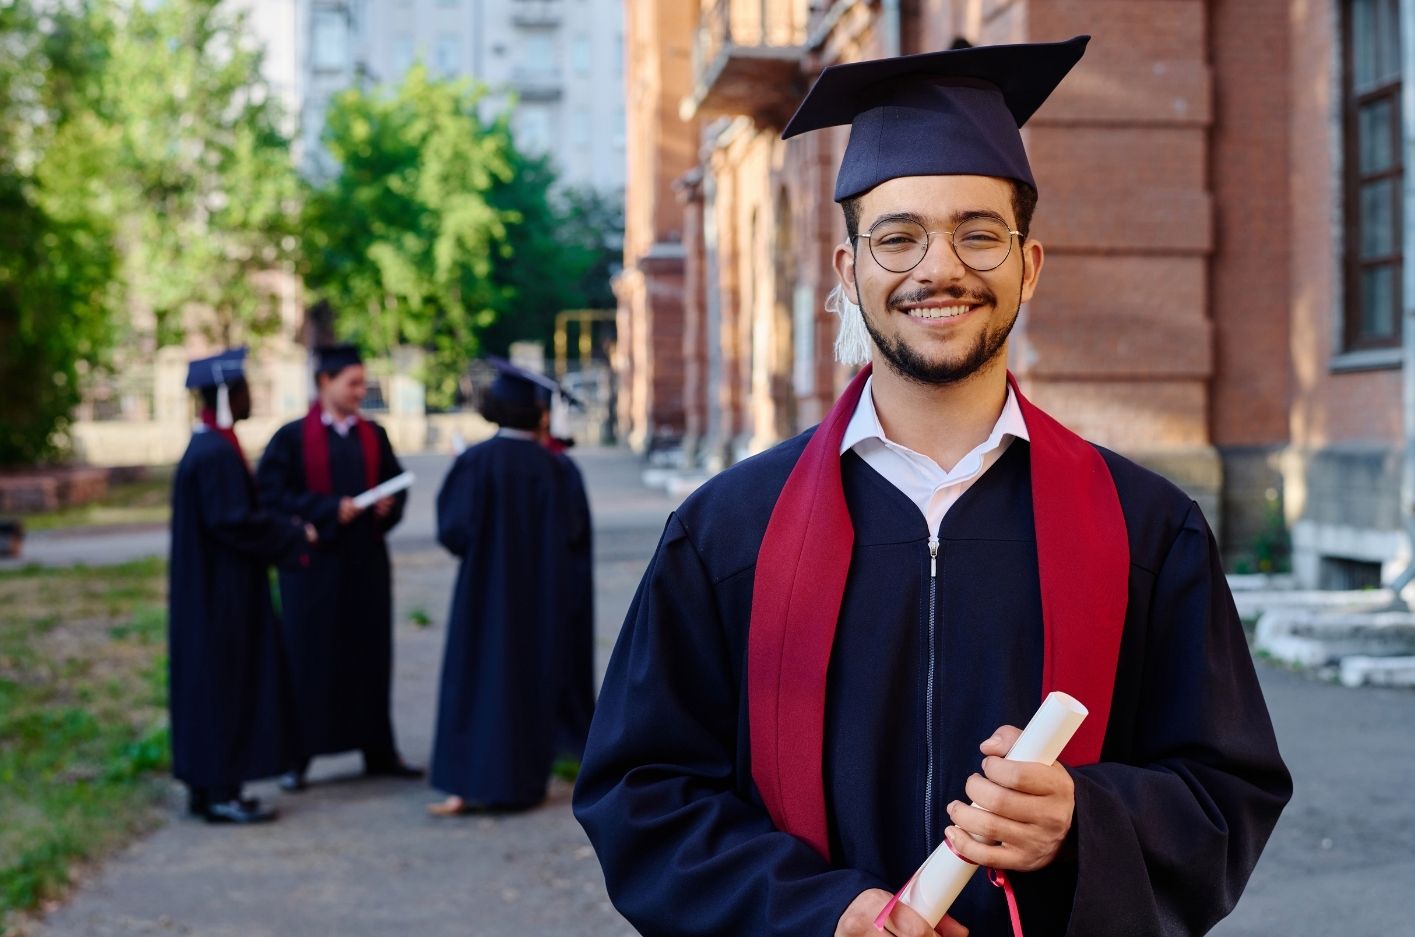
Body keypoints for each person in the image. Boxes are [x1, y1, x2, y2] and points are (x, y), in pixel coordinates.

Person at [573, 37, 1292, 937]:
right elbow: (642, 793)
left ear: (1028, 265)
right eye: (897, 236)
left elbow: (1227, 788)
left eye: (978, 233)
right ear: (849, 273)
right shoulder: (727, 532)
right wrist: (818, 911)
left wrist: (1085, 818)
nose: (937, 268)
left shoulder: (1146, 529)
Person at [428, 359, 593, 815]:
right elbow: (576, 539)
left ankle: (463, 785)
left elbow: (454, 533)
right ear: (541, 414)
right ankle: (522, 785)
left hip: (483, 597)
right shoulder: (558, 471)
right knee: (528, 682)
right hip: (540, 601)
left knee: (475, 680)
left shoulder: (475, 463)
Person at [255, 343, 419, 790]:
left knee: (370, 655)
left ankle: (377, 750)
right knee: (310, 659)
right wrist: (328, 509)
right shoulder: (290, 438)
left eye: (363, 382)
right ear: (324, 382)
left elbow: (396, 483)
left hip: (365, 564)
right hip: (313, 568)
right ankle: (299, 756)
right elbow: (271, 496)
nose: (359, 391)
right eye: (353, 383)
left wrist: (388, 505)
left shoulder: (373, 434)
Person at [168, 348, 313, 824]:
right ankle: (221, 792)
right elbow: (234, 522)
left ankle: (206, 787)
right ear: (227, 395)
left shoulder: (212, 445)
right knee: (223, 683)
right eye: (245, 389)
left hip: (213, 588)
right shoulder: (214, 454)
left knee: (212, 683)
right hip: (221, 595)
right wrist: (293, 535)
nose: (252, 397)